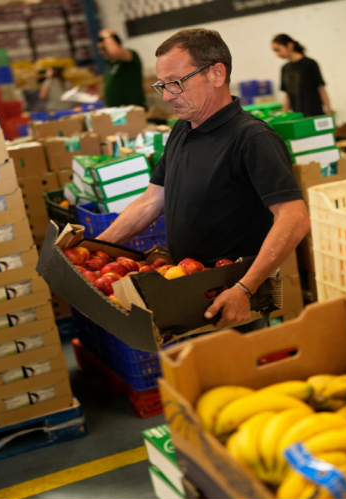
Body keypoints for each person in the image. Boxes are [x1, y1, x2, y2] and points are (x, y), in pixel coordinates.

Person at [96, 28, 312, 333]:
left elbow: (295, 218)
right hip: (185, 288)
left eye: (176, 84)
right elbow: (151, 200)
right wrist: (95, 248)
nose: (168, 96)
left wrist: (244, 289)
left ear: (216, 74)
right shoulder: (182, 129)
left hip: (229, 299)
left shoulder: (252, 138)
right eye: (162, 85)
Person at [272, 34, 332, 117]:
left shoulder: (310, 64)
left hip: (314, 113)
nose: (277, 54)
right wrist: (284, 113)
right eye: (275, 51)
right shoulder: (285, 68)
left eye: (278, 50)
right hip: (297, 115)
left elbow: (321, 89)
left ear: (290, 45)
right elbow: (288, 94)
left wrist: (328, 111)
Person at [98, 29, 146, 108]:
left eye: (104, 48)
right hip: (116, 110)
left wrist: (107, 35)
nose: (101, 52)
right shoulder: (110, 64)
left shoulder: (130, 55)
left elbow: (115, 52)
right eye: (100, 49)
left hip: (133, 108)